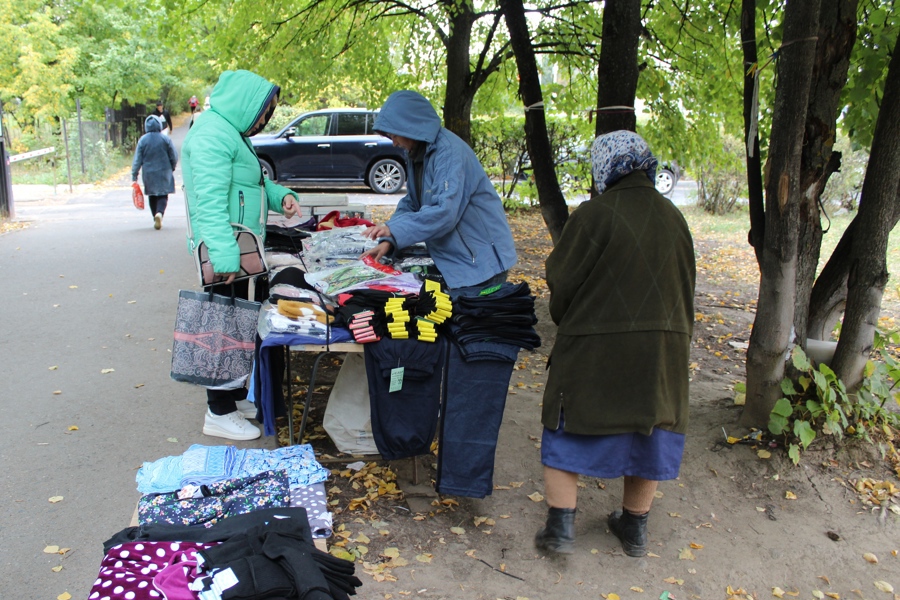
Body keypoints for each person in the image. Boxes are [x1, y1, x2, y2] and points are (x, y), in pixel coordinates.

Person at [534, 130, 696, 557]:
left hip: (594, 351)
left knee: (566, 427)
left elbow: (562, 284)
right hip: (663, 353)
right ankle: (635, 529)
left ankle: (560, 529)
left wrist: (564, 318)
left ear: (603, 168)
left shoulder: (594, 214)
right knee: (650, 432)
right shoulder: (674, 218)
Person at [181, 69, 300, 441]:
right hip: (226, 248)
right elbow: (209, 203)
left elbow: (255, 181)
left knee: (238, 323)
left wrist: (280, 195)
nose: (267, 119)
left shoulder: (229, 132)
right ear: (249, 105)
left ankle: (232, 398)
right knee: (220, 326)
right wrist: (224, 255)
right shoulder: (212, 135)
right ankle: (218, 411)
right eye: (266, 111)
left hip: (238, 245)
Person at [361, 90, 517, 296]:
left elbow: (445, 212)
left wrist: (393, 229)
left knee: (470, 325)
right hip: (459, 260)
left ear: (411, 126)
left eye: (394, 134)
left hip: (479, 263)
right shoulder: (418, 152)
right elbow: (411, 202)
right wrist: (389, 241)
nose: (394, 142)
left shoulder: (449, 153)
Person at [131, 115, 178, 230]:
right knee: (163, 194)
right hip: (164, 170)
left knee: (152, 195)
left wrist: (134, 174)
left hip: (149, 172)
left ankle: (154, 216)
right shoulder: (165, 139)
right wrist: (172, 166)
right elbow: (174, 155)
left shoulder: (143, 140)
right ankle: (160, 213)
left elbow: (137, 159)